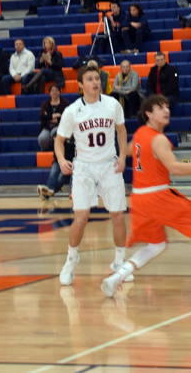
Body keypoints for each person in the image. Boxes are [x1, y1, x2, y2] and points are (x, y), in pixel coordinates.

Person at [102, 95, 191, 297]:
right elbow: (174, 167)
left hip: (139, 197)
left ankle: (117, 276)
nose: (166, 110)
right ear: (148, 114)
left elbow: (129, 150)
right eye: (159, 107)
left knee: (156, 244)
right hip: (157, 195)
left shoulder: (140, 133)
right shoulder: (159, 139)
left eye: (167, 106)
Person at [55, 64, 129, 286]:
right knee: (81, 218)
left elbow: (122, 131)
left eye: (97, 78)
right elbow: (59, 141)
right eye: (90, 79)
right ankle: (71, 258)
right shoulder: (72, 111)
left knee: (118, 215)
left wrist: (123, 157)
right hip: (84, 167)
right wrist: (61, 159)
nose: (95, 82)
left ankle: (119, 262)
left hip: (109, 165)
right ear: (80, 85)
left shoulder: (112, 104)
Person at [38, 87, 73, 200]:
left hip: (72, 162)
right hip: (59, 159)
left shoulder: (75, 133)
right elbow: (43, 117)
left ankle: (49, 191)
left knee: (61, 177)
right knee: (53, 173)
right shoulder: (60, 135)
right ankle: (47, 191)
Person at [38, 83, 69, 151]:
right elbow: (42, 117)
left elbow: (65, 118)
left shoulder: (65, 103)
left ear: (59, 92)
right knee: (42, 138)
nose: (54, 92)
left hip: (60, 126)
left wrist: (49, 117)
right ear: (49, 93)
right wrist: (54, 116)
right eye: (52, 90)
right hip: (47, 127)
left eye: (56, 90)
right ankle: (46, 150)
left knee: (54, 132)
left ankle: (58, 150)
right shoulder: (45, 104)